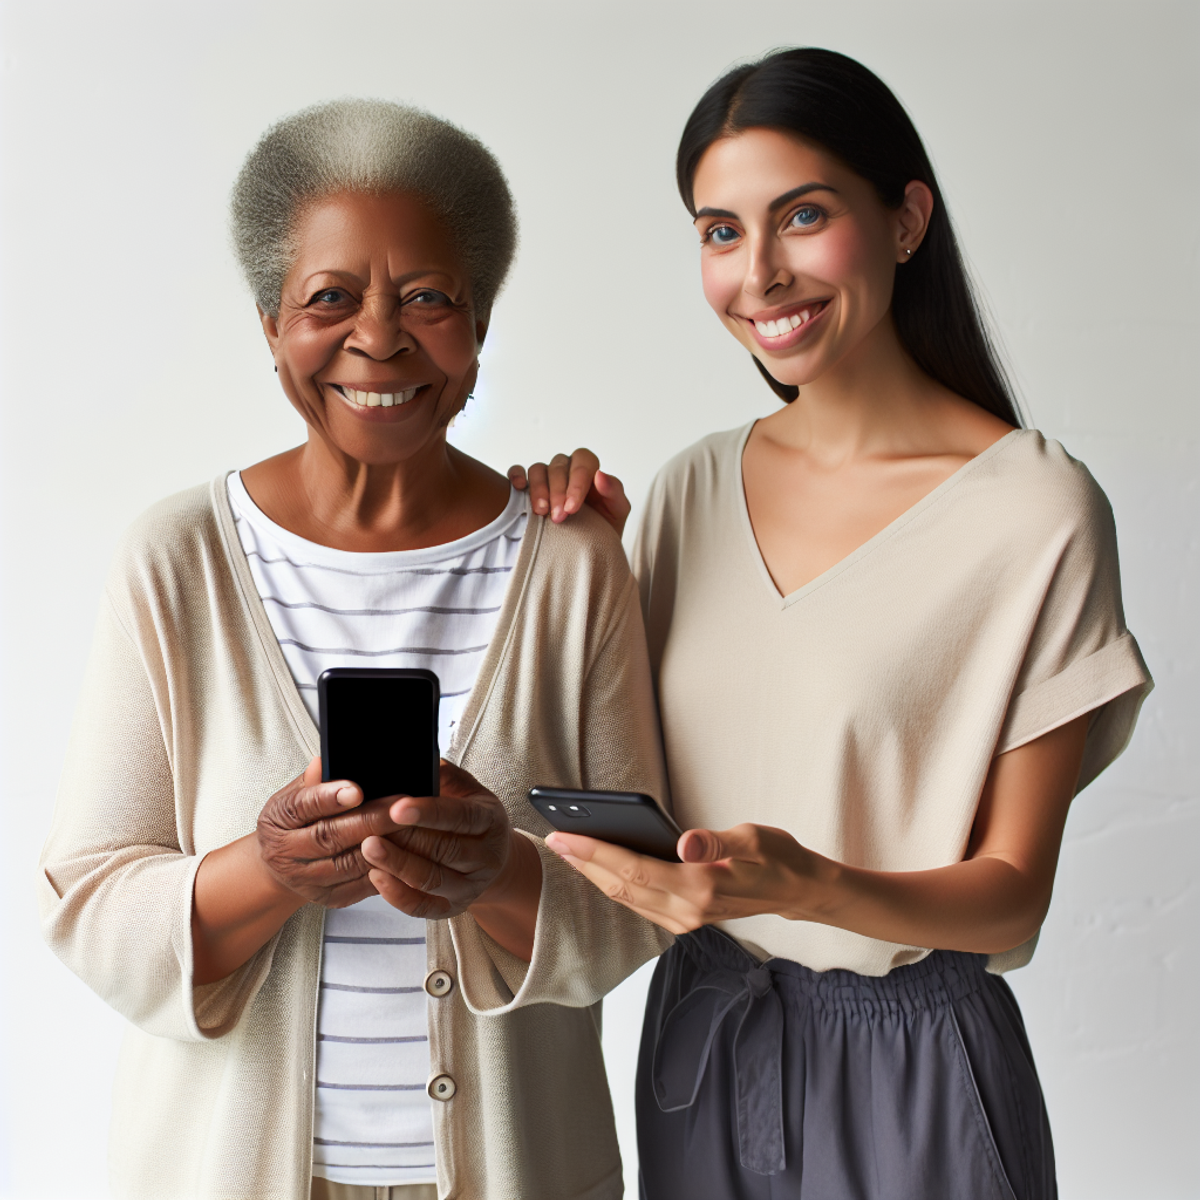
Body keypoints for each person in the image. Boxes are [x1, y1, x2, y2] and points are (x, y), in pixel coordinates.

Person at [513, 48, 1153, 1200]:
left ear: (907, 219)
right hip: (704, 1040)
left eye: (801, 217)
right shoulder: (692, 491)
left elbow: (1015, 886)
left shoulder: (1036, 511)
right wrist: (570, 563)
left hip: (917, 1070)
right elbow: (600, 772)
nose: (758, 274)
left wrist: (806, 884)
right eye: (719, 232)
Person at [38, 99, 670, 1200]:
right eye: (330, 298)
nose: (380, 340)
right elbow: (88, 908)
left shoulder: (572, 566)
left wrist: (500, 872)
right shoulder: (176, 559)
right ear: (270, 322)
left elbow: (641, 899)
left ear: (480, 319)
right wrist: (265, 870)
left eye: (429, 297)